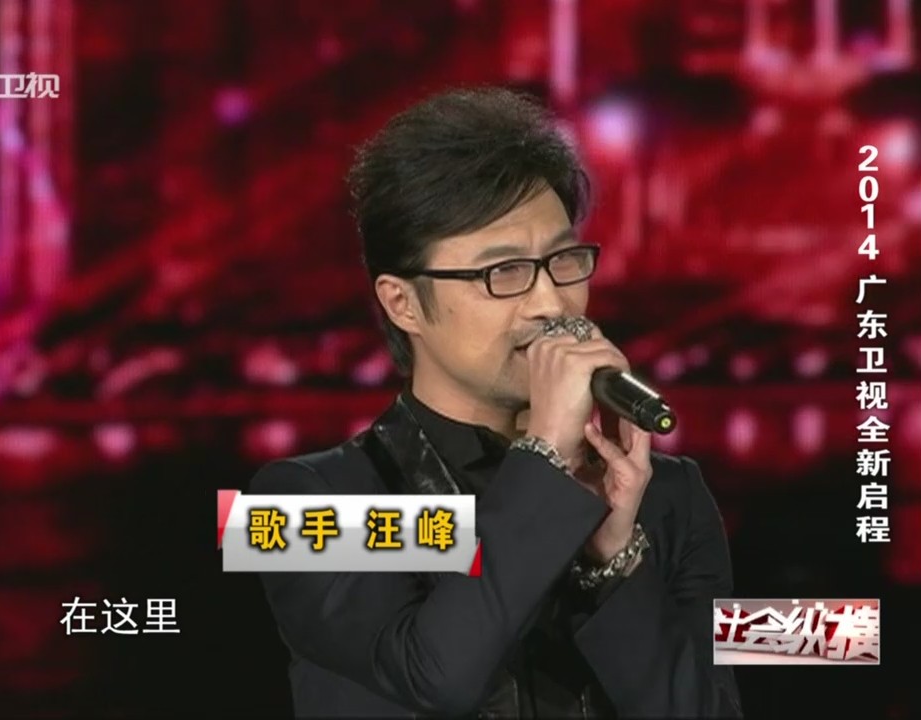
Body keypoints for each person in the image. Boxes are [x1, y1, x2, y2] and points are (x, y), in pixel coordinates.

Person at [251, 86, 742, 718]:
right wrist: (546, 458)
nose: (551, 303)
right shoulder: (298, 504)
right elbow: (435, 675)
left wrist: (615, 562)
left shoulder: (668, 497)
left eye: (563, 260)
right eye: (502, 273)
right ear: (403, 303)